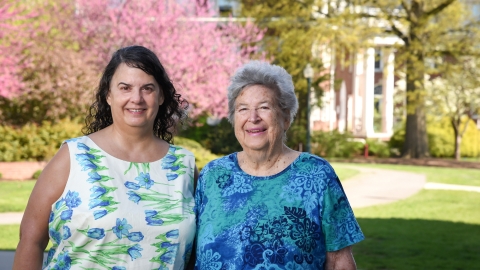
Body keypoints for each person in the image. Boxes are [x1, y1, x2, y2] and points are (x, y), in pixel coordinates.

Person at [13, 45, 197, 270]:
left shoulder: (184, 166)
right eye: (125, 87)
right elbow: (31, 241)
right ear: (108, 95)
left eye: (147, 88)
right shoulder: (75, 156)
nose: (136, 98)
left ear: (160, 96)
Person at [194, 61, 364, 269]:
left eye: (264, 107)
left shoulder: (317, 175)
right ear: (234, 119)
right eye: (243, 109)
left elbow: (339, 262)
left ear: (285, 118)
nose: (253, 118)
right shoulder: (213, 175)